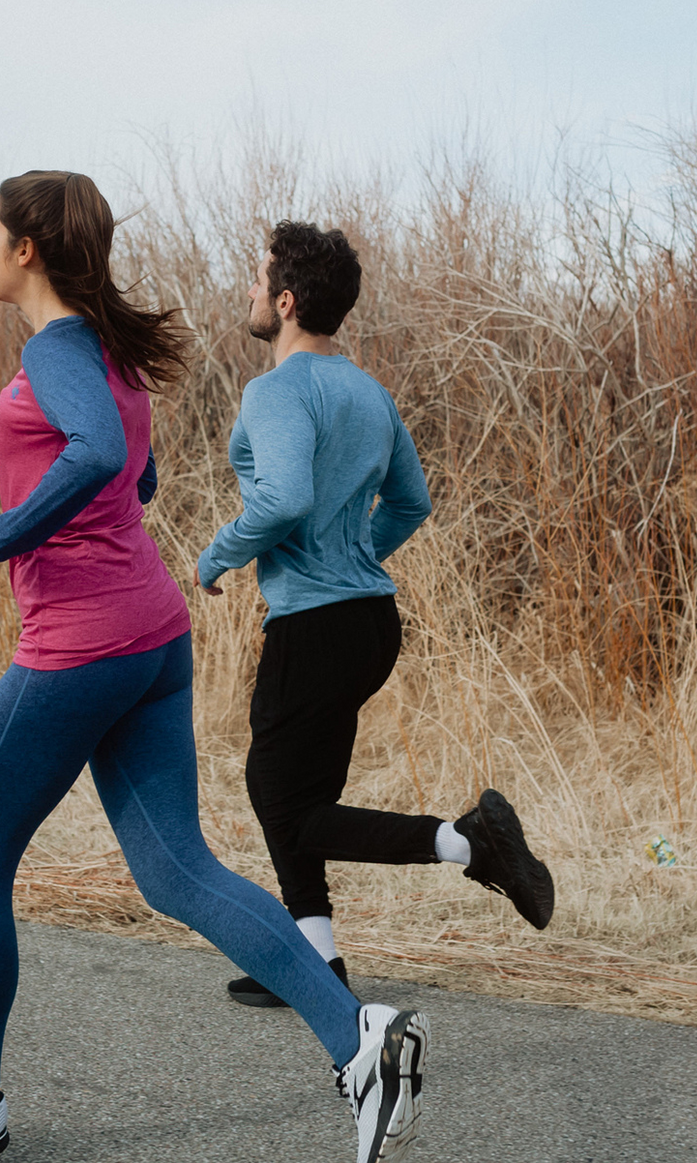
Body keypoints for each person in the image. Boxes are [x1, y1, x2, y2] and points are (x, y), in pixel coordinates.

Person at [0, 174, 428, 1163]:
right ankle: (357, 1039)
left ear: (27, 249)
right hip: (151, 634)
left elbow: (95, 454)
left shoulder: (56, 348)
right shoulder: (107, 350)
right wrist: (12, 473)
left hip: (79, 643)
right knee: (176, 868)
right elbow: (134, 473)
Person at [194, 221, 555, 1009]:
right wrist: (355, 554)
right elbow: (411, 502)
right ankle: (317, 965)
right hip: (369, 622)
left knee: (280, 798)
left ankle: (467, 842)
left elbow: (283, 499)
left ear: (285, 301)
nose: (250, 290)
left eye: (258, 278)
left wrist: (216, 556)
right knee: (300, 798)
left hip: (315, 626)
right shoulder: (368, 392)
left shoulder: (276, 391)